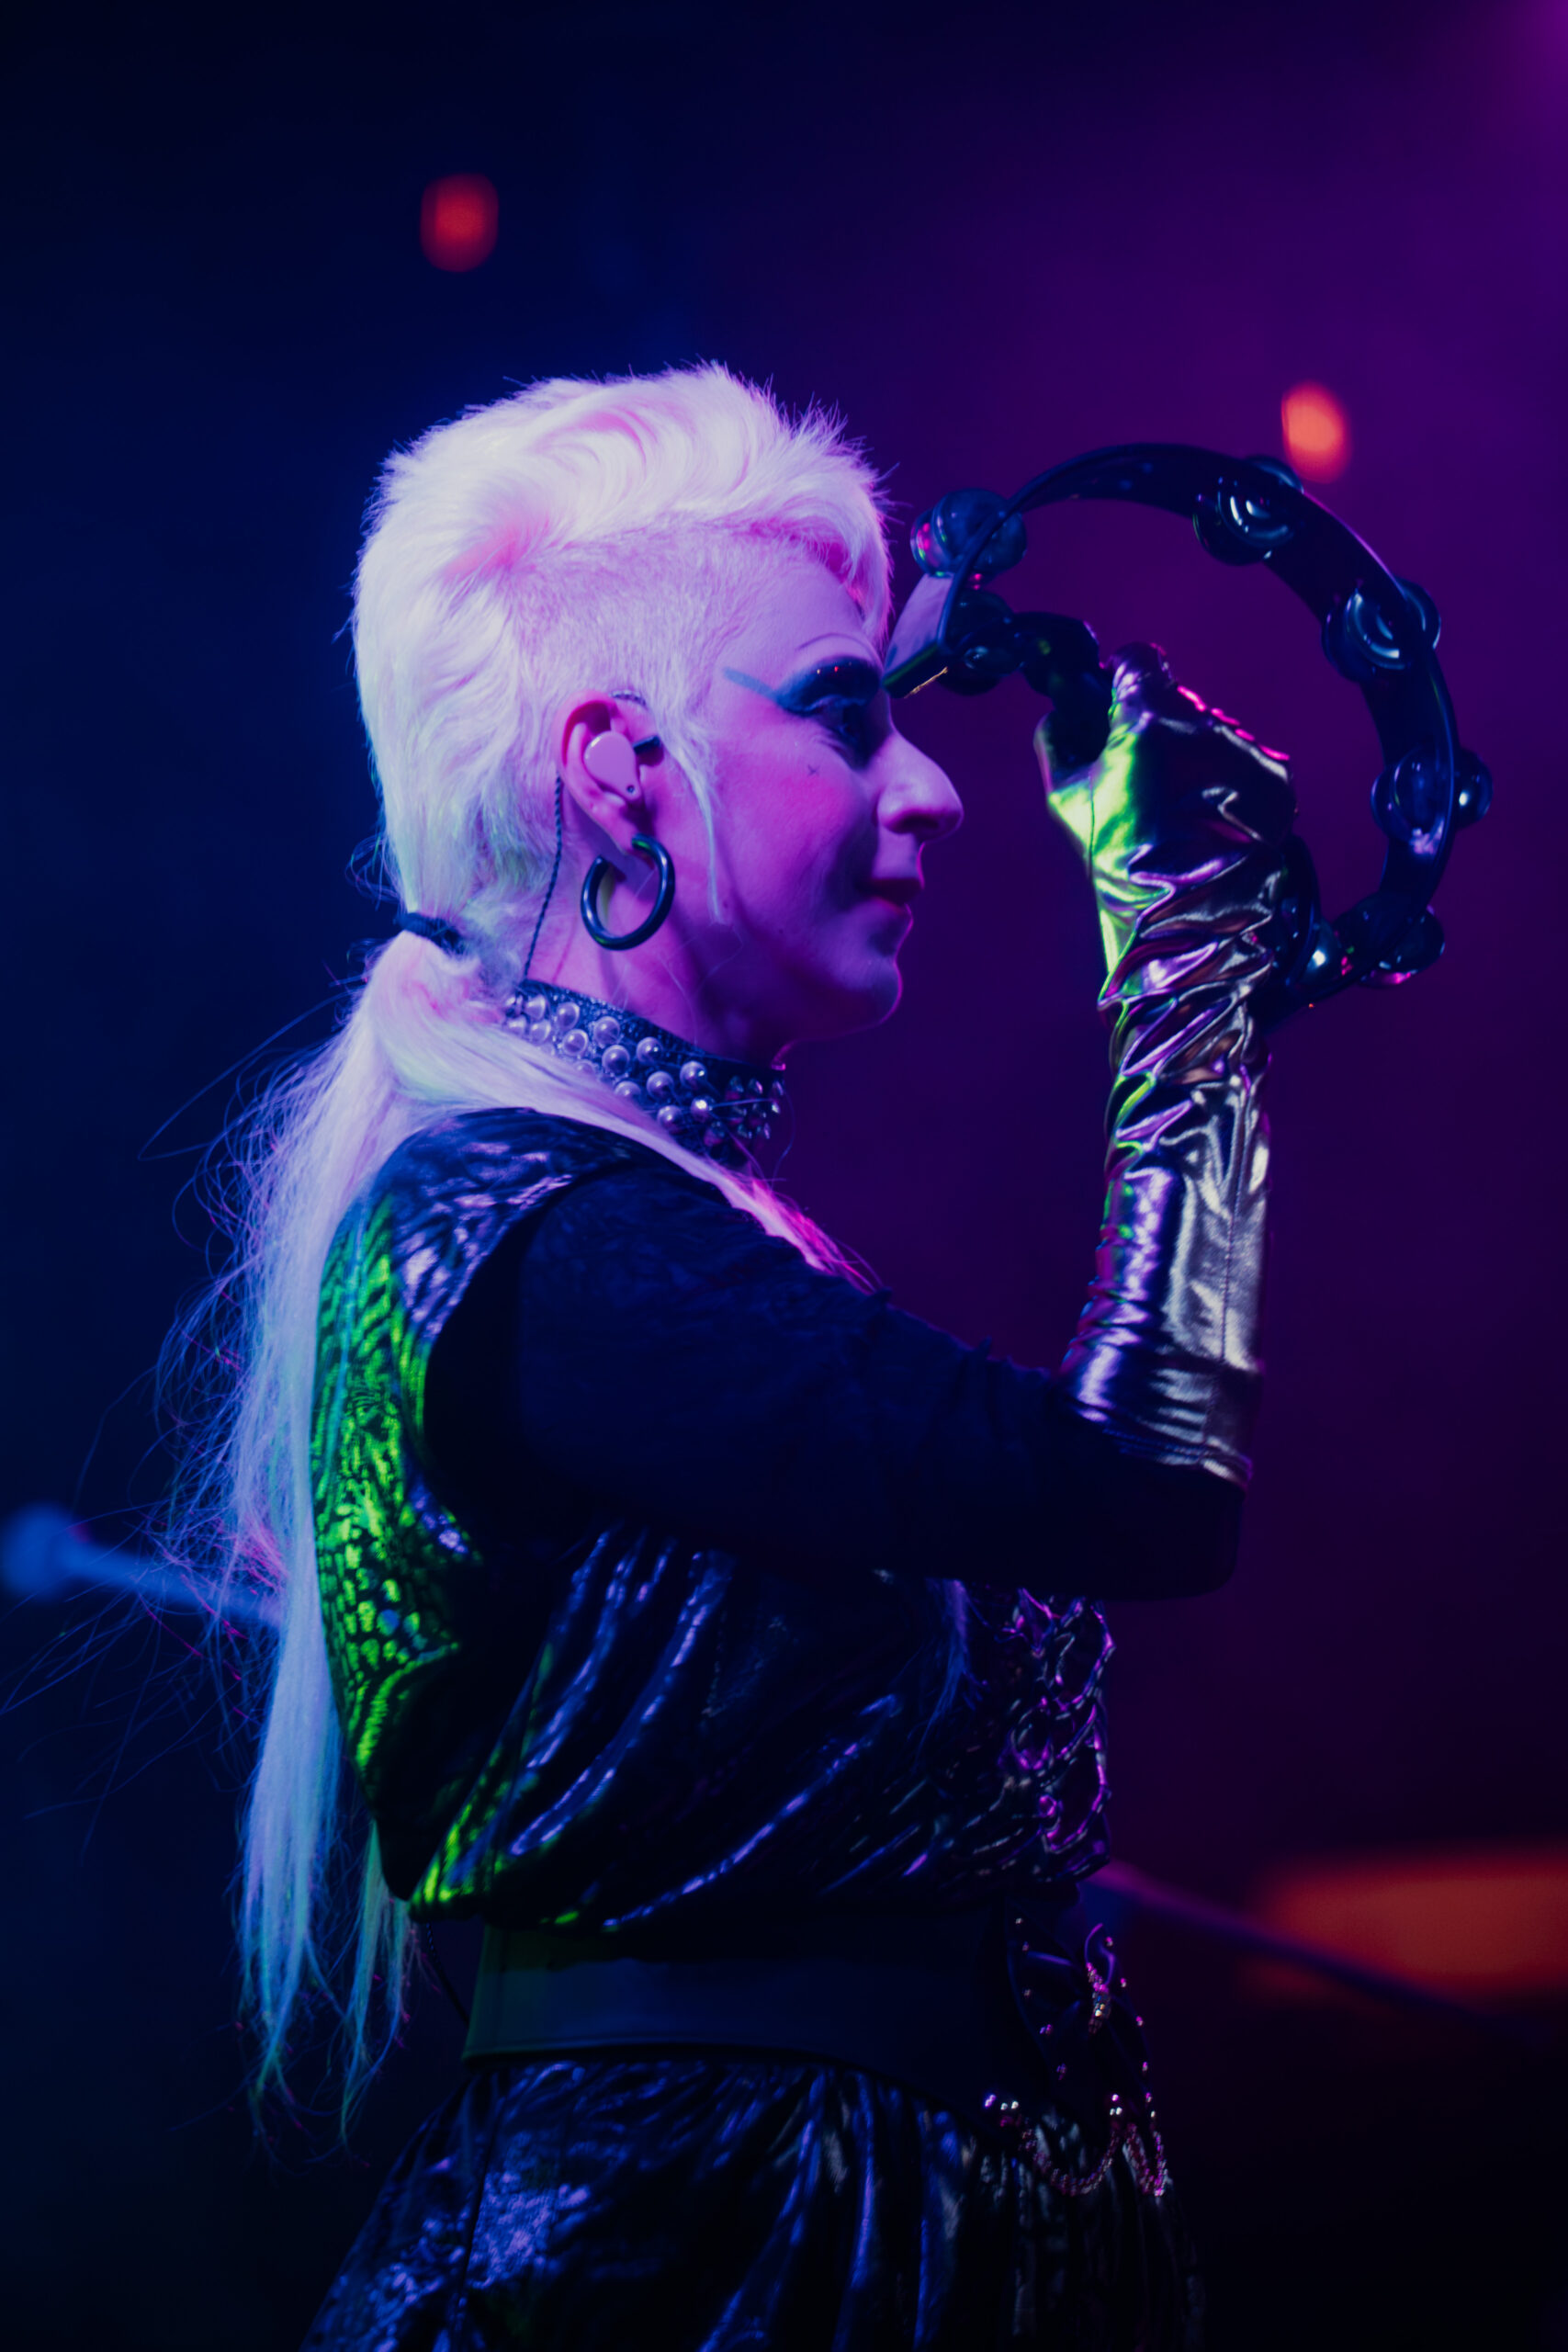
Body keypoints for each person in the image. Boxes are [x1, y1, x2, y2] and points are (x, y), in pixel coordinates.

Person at [203, 365, 1293, 2348]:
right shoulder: (539, 1237)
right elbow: (1135, 1489)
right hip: (701, 2266)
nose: (932, 789)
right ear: (617, 770)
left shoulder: (632, 1226)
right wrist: (1191, 976)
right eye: (846, 712)